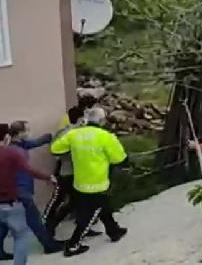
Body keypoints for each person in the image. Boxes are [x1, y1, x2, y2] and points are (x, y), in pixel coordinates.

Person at [50, 108, 128, 257]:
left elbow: (55, 149)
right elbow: (120, 159)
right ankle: (73, 245)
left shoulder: (74, 134)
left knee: (103, 207)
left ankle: (113, 231)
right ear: (101, 121)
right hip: (98, 183)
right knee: (88, 215)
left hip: (80, 182)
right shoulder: (106, 137)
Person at [0, 121, 63, 257]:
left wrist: (51, 135)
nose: (30, 132)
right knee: (35, 221)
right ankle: (49, 245)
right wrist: (48, 177)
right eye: (27, 130)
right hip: (20, 191)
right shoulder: (15, 151)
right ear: (20, 133)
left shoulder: (18, 145)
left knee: (4, 223)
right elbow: (29, 170)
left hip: (11, 192)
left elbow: (35, 142)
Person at [44, 105, 102, 239]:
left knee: (77, 202)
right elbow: (56, 152)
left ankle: (82, 226)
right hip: (67, 172)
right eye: (86, 115)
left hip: (77, 172)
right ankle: (49, 225)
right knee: (61, 200)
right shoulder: (67, 133)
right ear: (81, 118)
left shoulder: (78, 131)